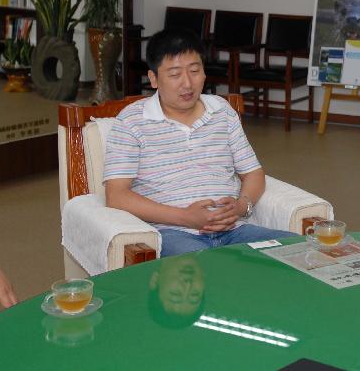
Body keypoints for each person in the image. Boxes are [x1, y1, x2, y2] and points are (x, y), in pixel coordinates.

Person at [104, 28, 293, 257]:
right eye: (174, 75)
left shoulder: (222, 111)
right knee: (209, 274)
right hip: (174, 234)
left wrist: (242, 206)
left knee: (303, 251)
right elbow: (117, 195)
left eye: (195, 71)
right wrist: (186, 217)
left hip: (235, 231)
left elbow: (253, 173)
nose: (187, 84)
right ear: (153, 78)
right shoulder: (131, 121)